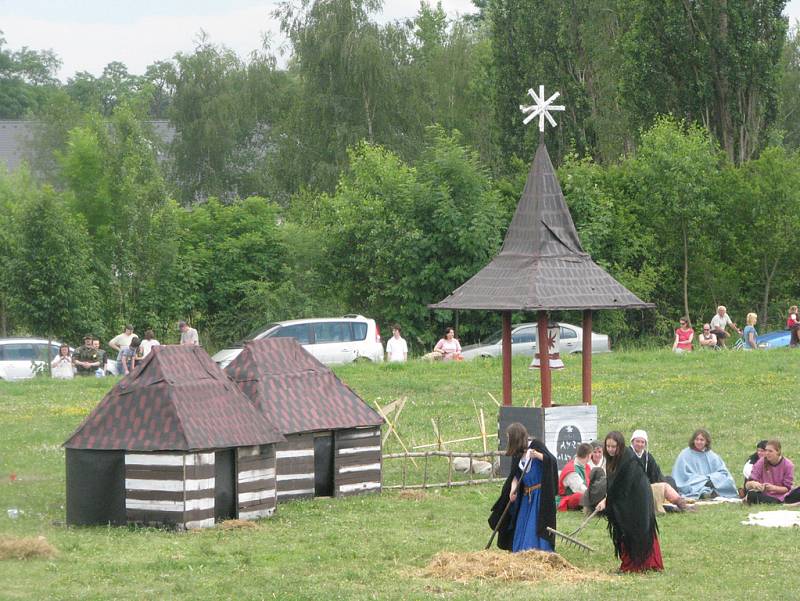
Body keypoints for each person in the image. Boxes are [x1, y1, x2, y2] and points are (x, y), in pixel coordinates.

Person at [595, 431, 663, 573]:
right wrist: (606, 498)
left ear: (620, 446)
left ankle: (643, 564)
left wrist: (607, 501)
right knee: (625, 528)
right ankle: (630, 564)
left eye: (614, 446)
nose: (611, 449)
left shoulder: (628, 460)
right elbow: (613, 485)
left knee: (638, 528)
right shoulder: (611, 460)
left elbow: (623, 486)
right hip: (626, 497)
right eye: (608, 446)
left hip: (638, 498)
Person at [507, 424, 558, 552]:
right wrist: (512, 490)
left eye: (509, 438)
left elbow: (551, 461)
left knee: (535, 525)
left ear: (516, 438)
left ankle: (539, 551)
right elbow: (515, 476)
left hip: (540, 495)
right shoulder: (517, 454)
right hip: (526, 496)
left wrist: (538, 456)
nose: (508, 441)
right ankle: (521, 551)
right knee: (522, 523)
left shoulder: (536, 445)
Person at [630, 430, 691, 512]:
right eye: (637, 441)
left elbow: (656, 474)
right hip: (633, 489)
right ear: (632, 441)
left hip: (647, 486)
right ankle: (682, 506)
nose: (640, 444)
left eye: (642, 442)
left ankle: (676, 503)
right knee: (665, 487)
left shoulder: (647, 457)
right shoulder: (627, 455)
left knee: (669, 480)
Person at [671, 429, 738, 499]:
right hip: (693, 481)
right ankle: (705, 493)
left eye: (702, 440)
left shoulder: (712, 455)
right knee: (697, 484)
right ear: (693, 440)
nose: (699, 442)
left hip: (710, 480)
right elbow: (680, 475)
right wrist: (702, 479)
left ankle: (710, 492)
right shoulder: (684, 454)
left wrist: (712, 478)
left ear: (706, 442)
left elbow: (723, 471)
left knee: (723, 479)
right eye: (697, 439)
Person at [744, 440, 795, 505]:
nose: (767, 453)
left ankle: (779, 502)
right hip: (764, 495)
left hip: (783, 496)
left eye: (770, 451)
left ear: (778, 452)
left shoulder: (788, 465)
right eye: (766, 450)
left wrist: (773, 488)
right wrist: (754, 484)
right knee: (751, 494)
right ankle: (777, 503)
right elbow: (747, 485)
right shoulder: (761, 462)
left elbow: (787, 488)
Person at [557, 442, 592, 511]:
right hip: (566, 498)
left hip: (583, 493)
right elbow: (579, 489)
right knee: (579, 496)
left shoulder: (585, 466)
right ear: (588, 456)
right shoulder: (571, 470)